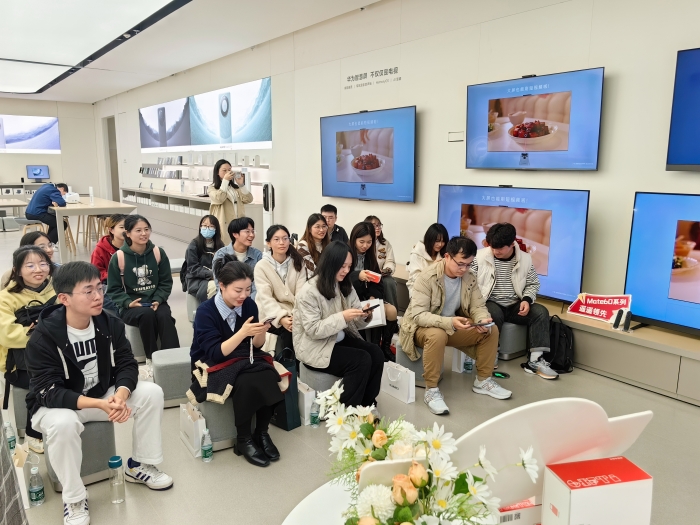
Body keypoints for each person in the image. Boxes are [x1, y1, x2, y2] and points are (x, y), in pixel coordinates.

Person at [26, 262, 173, 525]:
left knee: (152, 393)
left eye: (99, 288)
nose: (97, 296)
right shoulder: (42, 336)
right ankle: (74, 498)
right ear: (64, 299)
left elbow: (127, 363)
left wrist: (121, 394)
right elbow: (49, 391)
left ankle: (140, 465)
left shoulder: (109, 323)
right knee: (63, 424)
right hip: (56, 406)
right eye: (88, 291)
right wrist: (100, 404)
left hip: (100, 396)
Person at [399, 237, 509, 416]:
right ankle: (431, 390)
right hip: (419, 329)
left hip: (451, 325)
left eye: (468, 264)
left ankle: (483, 380)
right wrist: (449, 322)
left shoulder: (469, 277)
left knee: (491, 330)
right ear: (447, 256)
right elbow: (419, 316)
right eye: (460, 264)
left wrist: (482, 319)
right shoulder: (427, 277)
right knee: (437, 335)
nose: (464, 269)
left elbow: (478, 306)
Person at [190, 256, 282, 468]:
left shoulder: (249, 305)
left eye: (248, 289)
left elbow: (255, 346)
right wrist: (243, 333)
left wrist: (261, 332)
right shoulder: (206, 312)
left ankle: (262, 432)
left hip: (241, 356)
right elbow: (215, 353)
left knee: (269, 374)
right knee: (246, 381)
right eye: (238, 290)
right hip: (210, 362)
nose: (244, 295)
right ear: (222, 286)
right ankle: (243, 439)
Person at [293, 241, 384, 408]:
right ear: (330, 263)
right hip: (314, 346)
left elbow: (355, 319)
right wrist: (343, 317)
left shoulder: (345, 284)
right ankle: (347, 411)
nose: (346, 271)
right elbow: (313, 330)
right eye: (342, 266)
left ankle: (367, 405)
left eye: (349, 266)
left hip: (337, 337)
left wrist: (364, 315)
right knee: (361, 360)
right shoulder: (309, 291)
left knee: (376, 353)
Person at [471, 223, 558, 380]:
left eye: (500, 248)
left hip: (514, 305)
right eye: (492, 247)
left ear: (512, 244)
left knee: (541, 312)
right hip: (489, 301)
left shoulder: (525, 259)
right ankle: (491, 354)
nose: (495, 252)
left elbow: (533, 284)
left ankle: (535, 361)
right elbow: (469, 281)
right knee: (492, 313)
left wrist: (526, 300)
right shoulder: (479, 257)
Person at [0, 246, 56, 453]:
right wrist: (40, 333)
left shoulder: (57, 289)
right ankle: (34, 433)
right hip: (20, 364)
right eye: (30, 265)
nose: (38, 270)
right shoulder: (6, 297)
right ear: (17, 270)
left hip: (55, 353)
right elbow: (7, 334)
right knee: (46, 380)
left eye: (43, 264)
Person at [106, 215, 180, 365]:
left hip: (155, 301)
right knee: (146, 315)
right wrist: (128, 302)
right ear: (128, 233)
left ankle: (173, 359)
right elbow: (113, 289)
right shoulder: (119, 257)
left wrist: (158, 299)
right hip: (131, 306)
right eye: (138, 230)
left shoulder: (158, 253)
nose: (144, 233)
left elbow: (166, 282)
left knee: (165, 316)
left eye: (146, 229)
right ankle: (152, 359)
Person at [348, 222, 398, 361]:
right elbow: (341, 279)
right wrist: (357, 276)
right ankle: (372, 348)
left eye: (369, 242)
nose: (365, 245)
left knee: (391, 311)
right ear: (354, 239)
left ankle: (384, 347)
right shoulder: (346, 254)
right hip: (351, 299)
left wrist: (372, 296)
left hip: (367, 297)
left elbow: (378, 282)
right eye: (361, 242)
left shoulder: (370, 256)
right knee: (369, 312)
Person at [254, 225, 307, 355]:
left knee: (302, 328)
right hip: (269, 313)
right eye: (276, 239)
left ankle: (304, 362)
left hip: (294, 312)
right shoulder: (261, 266)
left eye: (285, 238)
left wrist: (295, 316)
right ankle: (288, 364)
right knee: (288, 333)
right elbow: (266, 299)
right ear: (268, 243)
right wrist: (281, 318)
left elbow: (301, 294)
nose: (282, 242)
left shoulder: (298, 262)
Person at [212, 217, 262, 299]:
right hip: (228, 299)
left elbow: (258, 285)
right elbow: (219, 284)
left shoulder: (257, 255)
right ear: (235, 234)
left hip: (251, 300)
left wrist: (248, 302)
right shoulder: (221, 254)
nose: (252, 235)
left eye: (253, 231)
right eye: (247, 231)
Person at [185, 215, 225, 303]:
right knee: (216, 287)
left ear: (216, 229)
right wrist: (212, 275)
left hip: (216, 277)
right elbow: (193, 268)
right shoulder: (194, 245)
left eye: (211, 226)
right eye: (204, 226)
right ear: (200, 227)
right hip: (196, 280)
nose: (207, 229)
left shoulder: (220, 245)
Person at [406, 223, 449, 298]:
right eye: (437, 241)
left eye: (443, 241)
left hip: (438, 288)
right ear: (430, 239)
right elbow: (416, 278)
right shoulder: (416, 253)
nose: (440, 244)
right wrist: (432, 268)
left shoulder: (444, 254)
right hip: (419, 288)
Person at [208, 159, 253, 228]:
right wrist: (225, 180)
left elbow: (249, 199)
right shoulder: (212, 188)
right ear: (217, 172)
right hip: (224, 224)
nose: (228, 172)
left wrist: (241, 185)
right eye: (224, 170)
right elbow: (220, 198)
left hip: (239, 223)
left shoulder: (235, 188)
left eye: (229, 170)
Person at [365, 215, 398, 308]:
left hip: (380, 275)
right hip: (366, 275)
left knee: (389, 282)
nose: (378, 228)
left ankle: (393, 311)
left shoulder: (385, 243)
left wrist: (386, 270)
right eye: (374, 225)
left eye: (379, 225)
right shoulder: (364, 243)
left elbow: (390, 261)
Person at [91, 214, 127, 283]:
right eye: (122, 227)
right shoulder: (100, 249)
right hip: (109, 283)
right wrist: (116, 276)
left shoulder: (134, 246)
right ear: (111, 230)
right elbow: (96, 272)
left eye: (128, 227)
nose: (125, 230)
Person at [296, 213, 330, 277]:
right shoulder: (302, 245)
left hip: (327, 280)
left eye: (324, 226)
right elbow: (311, 272)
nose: (321, 230)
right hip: (310, 281)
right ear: (309, 229)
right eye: (317, 227)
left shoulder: (329, 245)